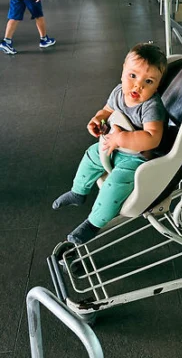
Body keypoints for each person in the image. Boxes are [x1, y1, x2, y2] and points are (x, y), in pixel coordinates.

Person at [52, 43, 168, 245]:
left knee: (114, 184)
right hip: (114, 144)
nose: (137, 86)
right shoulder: (118, 92)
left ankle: (93, 223)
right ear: (123, 70)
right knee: (91, 154)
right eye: (132, 76)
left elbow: (153, 137)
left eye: (148, 81)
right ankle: (78, 191)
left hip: (136, 158)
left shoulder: (151, 107)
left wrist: (121, 139)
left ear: (157, 85)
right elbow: (107, 110)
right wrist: (98, 119)